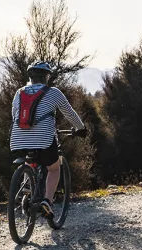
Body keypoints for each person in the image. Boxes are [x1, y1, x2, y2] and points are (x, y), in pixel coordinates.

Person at [10, 61, 87, 216]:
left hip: (18, 139)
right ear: (46, 77)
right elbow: (69, 113)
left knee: (29, 158)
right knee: (54, 168)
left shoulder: (19, 92)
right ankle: (47, 201)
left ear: (30, 77)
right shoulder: (53, 92)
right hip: (44, 139)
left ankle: (27, 189)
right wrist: (81, 128)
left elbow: (14, 115)